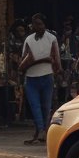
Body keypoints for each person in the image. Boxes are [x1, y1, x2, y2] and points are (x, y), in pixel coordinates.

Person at [20, 13, 62, 143]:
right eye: (35, 24)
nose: (37, 26)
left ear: (44, 25)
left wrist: (58, 71)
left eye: (40, 24)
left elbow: (56, 57)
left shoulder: (51, 38)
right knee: (35, 106)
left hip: (47, 75)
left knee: (46, 105)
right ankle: (41, 130)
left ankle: (44, 130)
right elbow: (24, 59)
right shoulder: (29, 39)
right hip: (31, 77)